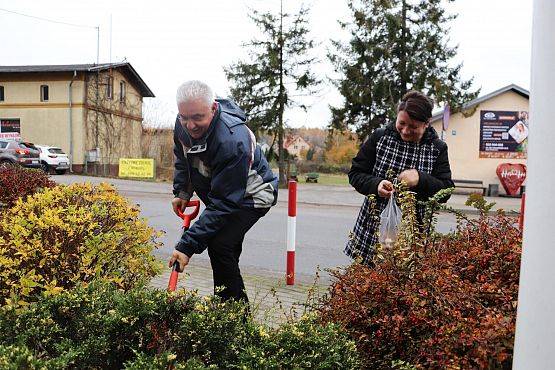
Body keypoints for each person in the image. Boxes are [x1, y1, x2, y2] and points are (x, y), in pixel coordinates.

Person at [168, 80, 278, 302]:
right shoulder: (182, 126)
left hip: (253, 195)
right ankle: (228, 308)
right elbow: (184, 159)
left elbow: (225, 203)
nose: (190, 125)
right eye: (184, 117)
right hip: (223, 193)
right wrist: (182, 191)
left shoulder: (232, 140)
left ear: (213, 108)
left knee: (220, 246)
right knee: (224, 250)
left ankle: (233, 316)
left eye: (198, 117)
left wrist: (186, 246)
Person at [345, 91, 454, 265]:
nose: (405, 130)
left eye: (413, 127)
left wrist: (420, 179)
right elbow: (356, 174)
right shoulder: (380, 138)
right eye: (401, 123)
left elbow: (446, 189)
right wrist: (376, 184)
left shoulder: (437, 148)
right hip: (373, 228)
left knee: (403, 282)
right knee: (366, 282)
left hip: (413, 232)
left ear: (426, 124)